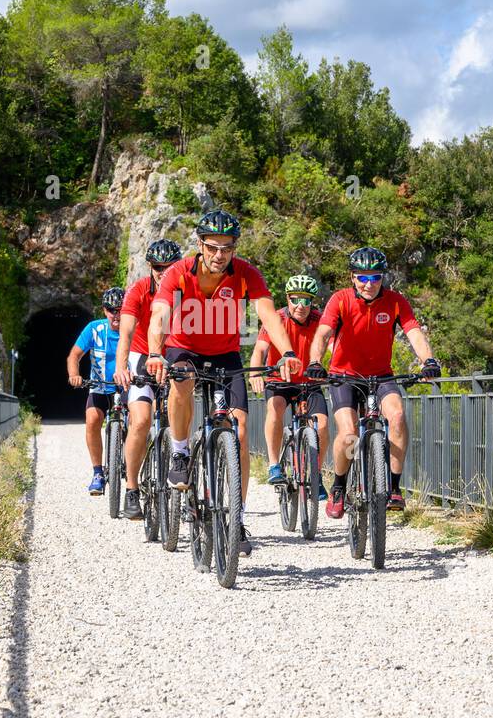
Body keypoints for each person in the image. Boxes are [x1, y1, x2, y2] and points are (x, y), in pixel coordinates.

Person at [143, 210, 302, 556]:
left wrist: (287, 351)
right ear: (200, 245)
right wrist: (156, 353)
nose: (219, 255)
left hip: (226, 355)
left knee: (241, 429)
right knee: (181, 383)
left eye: (227, 248)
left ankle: (236, 516)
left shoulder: (246, 274)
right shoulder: (178, 273)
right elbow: (158, 317)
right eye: (213, 247)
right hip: (184, 348)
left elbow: (268, 315)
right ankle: (181, 452)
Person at [304, 247, 441, 518]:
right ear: (353, 277)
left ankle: (393, 486)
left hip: (381, 375)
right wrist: (316, 362)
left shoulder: (395, 302)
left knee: (398, 417)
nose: (369, 284)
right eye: (363, 278)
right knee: (349, 433)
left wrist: (428, 361)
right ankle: (340, 485)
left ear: (383, 277)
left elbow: (413, 332)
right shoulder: (340, 300)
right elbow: (322, 333)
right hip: (344, 376)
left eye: (375, 277)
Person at [112, 238, 183, 520]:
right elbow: (126, 334)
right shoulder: (139, 290)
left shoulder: (186, 291)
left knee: (182, 419)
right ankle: (131, 489)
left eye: (169, 267)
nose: (163, 272)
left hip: (176, 356)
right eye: (157, 267)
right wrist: (121, 366)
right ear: (150, 267)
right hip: (142, 355)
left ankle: (183, 486)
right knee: (140, 420)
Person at [248, 273, 330, 501]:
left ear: (313, 301)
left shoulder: (319, 320)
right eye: (295, 299)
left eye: (306, 300)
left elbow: (334, 344)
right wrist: (255, 373)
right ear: (287, 298)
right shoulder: (276, 319)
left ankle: (316, 474)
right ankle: (274, 464)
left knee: (322, 425)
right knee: (275, 408)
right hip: (279, 380)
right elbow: (260, 351)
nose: (300, 305)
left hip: (309, 382)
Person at [67, 286, 126, 495]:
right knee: (92, 420)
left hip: (127, 386)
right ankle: (98, 472)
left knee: (140, 420)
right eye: (111, 310)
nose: (116, 314)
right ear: (104, 310)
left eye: (121, 309)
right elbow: (74, 356)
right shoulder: (94, 329)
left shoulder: (134, 329)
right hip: (100, 387)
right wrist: (74, 375)